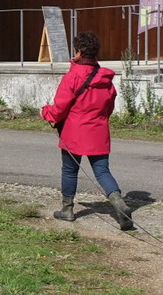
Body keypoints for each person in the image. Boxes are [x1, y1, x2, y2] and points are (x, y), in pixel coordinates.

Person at [40, 31, 133, 230]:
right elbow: (109, 107)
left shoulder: (72, 76)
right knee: (102, 171)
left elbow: (59, 108)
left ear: (79, 52)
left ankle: (67, 209)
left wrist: (45, 112)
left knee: (69, 170)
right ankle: (119, 203)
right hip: (98, 130)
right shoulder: (105, 78)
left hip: (73, 131)